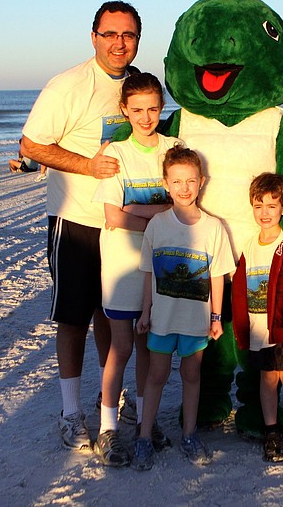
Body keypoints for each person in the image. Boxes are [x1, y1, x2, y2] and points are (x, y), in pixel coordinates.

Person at [19, 1, 142, 453]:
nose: (118, 43)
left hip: (123, 223)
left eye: (127, 35)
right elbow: (31, 144)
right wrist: (87, 166)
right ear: (93, 37)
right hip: (75, 220)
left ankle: (110, 395)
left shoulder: (138, 85)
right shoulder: (69, 84)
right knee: (73, 318)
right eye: (110, 34)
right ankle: (71, 413)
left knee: (114, 315)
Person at [91, 73, 180, 466]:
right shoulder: (115, 154)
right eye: (137, 109)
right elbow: (113, 217)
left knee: (150, 347)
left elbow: (184, 207)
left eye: (153, 109)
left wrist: (138, 210)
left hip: (161, 268)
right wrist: (158, 214)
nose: (146, 118)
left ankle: (145, 421)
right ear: (124, 110)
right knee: (121, 347)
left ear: (162, 109)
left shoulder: (176, 148)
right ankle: (108, 430)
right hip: (123, 267)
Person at [132, 145, 235, 471]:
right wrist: (146, 312)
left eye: (190, 180)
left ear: (201, 181)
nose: (184, 188)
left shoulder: (213, 227)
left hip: (196, 321)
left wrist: (216, 317)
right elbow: (149, 274)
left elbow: (218, 276)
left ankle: (189, 434)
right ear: (165, 183)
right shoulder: (157, 225)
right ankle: (144, 437)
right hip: (162, 319)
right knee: (156, 376)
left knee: (192, 376)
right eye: (177, 182)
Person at [232, 173, 283, 463]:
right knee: (268, 379)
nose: (264, 212)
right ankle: (271, 430)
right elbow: (242, 289)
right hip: (259, 331)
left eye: (272, 205)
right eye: (259, 205)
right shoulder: (249, 246)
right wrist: (242, 329)